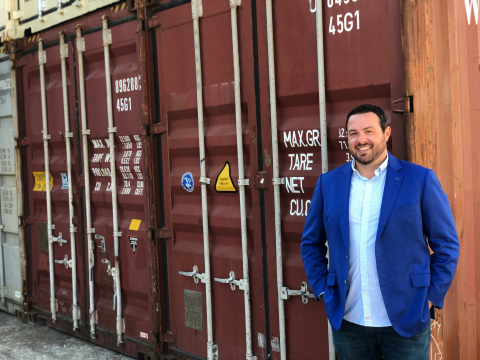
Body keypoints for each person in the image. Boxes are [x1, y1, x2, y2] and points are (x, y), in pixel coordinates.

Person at [300, 104, 460, 360]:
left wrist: (430, 298)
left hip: (406, 319)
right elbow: (311, 243)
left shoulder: (419, 179)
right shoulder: (328, 184)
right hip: (349, 322)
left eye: (368, 131)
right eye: (353, 133)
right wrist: (322, 289)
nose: (361, 139)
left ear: (386, 133)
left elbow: (447, 244)